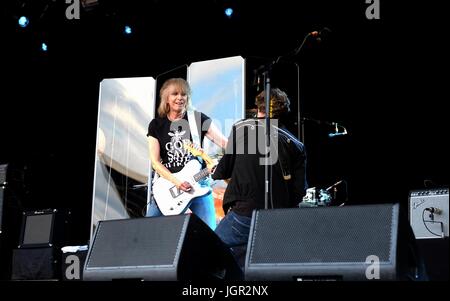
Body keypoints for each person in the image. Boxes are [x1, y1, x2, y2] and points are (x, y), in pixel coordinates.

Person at [211, 88, 308, 269]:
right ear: (285, 110)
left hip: (244, 215)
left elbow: (223, 171)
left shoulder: (240, 128)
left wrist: (215, 170)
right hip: (278, 221)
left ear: (258, 106)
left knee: (208, 251)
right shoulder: (297, 145)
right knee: (253, 264)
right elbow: (299, 192)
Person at [146, 78, 227, 230]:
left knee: (210, 235)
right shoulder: (156, 125)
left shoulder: (198, 119)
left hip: (199, 184)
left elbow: (225, 144)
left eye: (184, 94)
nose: (180, 98)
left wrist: (245, 143)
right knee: (148, 231)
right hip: (168, 188)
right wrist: (177, 182)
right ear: (166, 99)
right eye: (175, 94)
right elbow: (155, 162)